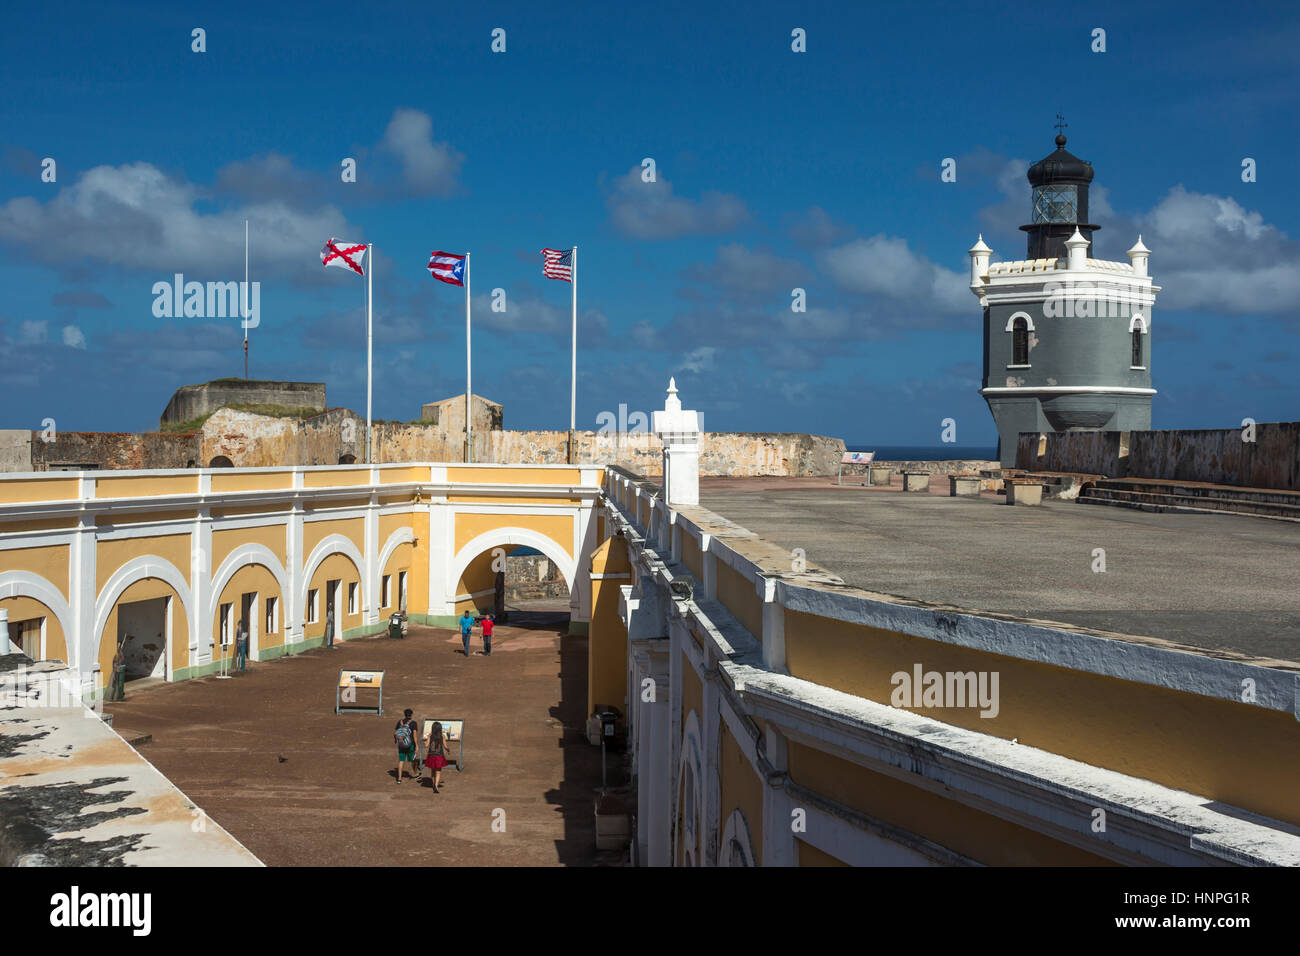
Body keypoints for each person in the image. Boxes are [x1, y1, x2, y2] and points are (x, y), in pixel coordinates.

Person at [423, 721, 455, 792]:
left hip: (431, 755)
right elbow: (445, 746)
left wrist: (425, 742)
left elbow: (426, 745)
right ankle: (436, 786)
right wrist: (448, 750)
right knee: (438, 772)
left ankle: (433, 783)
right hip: (439, 756)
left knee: (432, 770)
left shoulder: (430, 736)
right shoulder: (442, 736)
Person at [394, 708, 419, 783]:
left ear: (404, 714)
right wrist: (416, 745)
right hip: (410, 744)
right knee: (413, 760)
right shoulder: (413, 723)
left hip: (401, 744)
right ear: (411, 714)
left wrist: (396, 740)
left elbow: (395, 733)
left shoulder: (400, 722)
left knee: (401, 761)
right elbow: (414, 735)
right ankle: (415, 773)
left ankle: (399, 779)